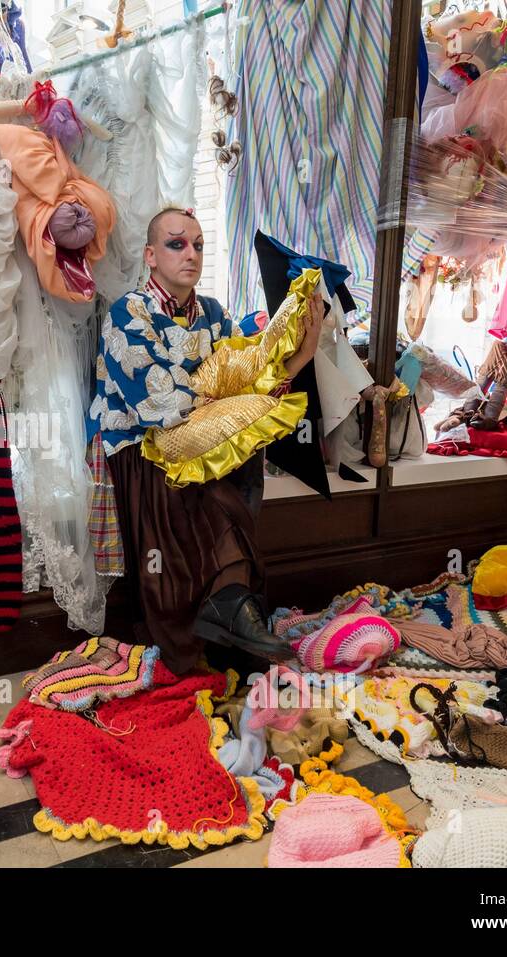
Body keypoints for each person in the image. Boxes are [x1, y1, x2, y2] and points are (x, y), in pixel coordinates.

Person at [87, 208, 322, 674]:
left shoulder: (215, 314)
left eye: (197, 244)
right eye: (177, 244)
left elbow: (247, 383)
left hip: (199, 440)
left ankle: (231, 607)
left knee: (240, 463)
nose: (190, 253)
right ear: (151, 256)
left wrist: (299, 359)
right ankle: (226, 607)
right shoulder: (127, 314)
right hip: (139, 448)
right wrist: (224, 393)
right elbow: (158, 406)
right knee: (201, 487)